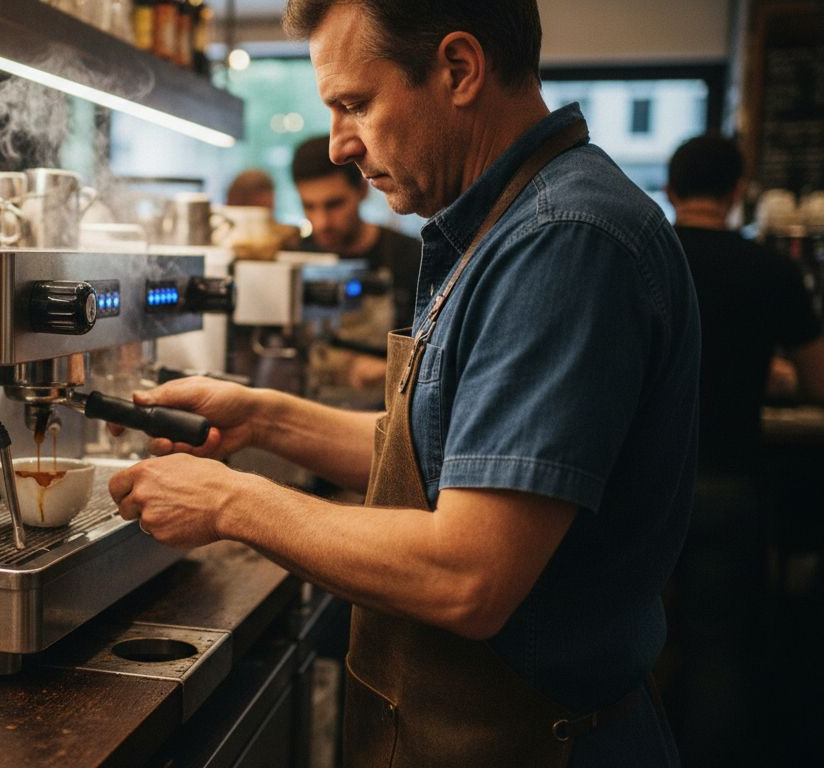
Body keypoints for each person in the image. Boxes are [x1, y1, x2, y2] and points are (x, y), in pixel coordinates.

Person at [110, 1, 697, 765]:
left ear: (458, 69)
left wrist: (231, 500)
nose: (339, 143)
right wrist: (264, 418)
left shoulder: (562, 241)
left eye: (355, 103)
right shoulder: (501, 224)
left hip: (533, 746)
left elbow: (468, 573)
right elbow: (445, 454)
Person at [662, 134, 824, 765]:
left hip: (646, 482)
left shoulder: (643, 258)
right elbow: (818, 382)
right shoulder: (771, 270)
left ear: (672, 192)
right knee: (719, 651)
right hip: (730, 478)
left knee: (630, 639)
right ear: (737, 194)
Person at [292, 134, 422, 390]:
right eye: (309, 206)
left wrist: (391, 371)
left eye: (334, 204)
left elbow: (432, 356)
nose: (321, 222)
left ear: (362, 190)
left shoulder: (410, 257)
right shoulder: (295, 258)